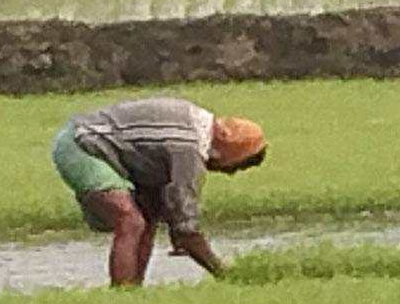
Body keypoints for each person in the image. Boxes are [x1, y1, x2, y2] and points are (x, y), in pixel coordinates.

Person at [50, 96, 268, 286]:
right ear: (228, 152)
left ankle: (133, 291)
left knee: (149, 215)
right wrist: (225, 274)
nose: (229, 174)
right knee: (130, 221)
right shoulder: (188, 149)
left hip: (109, 146)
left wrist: (176, 224)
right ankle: (121, 297)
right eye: (236, 166)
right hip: (81, 144)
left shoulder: (196, 124)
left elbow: (172, 206)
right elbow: (187, 229)